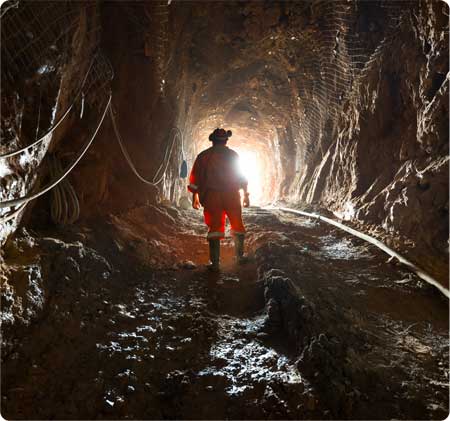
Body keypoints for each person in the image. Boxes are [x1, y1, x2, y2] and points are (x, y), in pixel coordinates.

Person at [188, 128, 250, 271]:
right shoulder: (233, 155)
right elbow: (241, 177)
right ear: (226, 140)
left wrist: (195, 196)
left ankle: (215, 263)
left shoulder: (203, 156)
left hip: (212, 196)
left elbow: (195, 178)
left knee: (215, 227)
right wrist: (245, 195)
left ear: (212, 140)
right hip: (232, 195)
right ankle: (240, 256)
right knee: (237, 223)